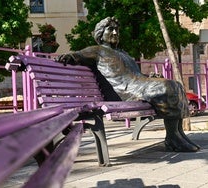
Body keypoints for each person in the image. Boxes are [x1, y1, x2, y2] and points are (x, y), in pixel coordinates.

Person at [57, 17, 199, 152]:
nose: (115, 32)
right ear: (101, 33)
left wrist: (149, 77)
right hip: (123, 91)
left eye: (116, 30)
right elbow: (79, 55)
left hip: (136, 85)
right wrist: (70, 57)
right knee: (167, 87)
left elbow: (136, 74)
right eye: (110, 29)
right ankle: (172, 137)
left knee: (176, 85)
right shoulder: (97, 50)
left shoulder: (122, 53)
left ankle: (178, 134)